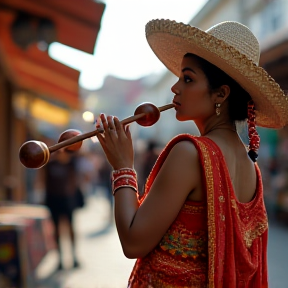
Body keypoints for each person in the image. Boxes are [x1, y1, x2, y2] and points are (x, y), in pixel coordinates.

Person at [95, 20, 288, 287]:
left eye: (187, 78)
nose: (175, 88)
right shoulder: (250, 166)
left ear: (220, 94)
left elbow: (133, 241)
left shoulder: (190, 154)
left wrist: (122, 167)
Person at [41, 149, 81, 270]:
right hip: (54, 199)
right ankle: (60, 258)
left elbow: (75, 181)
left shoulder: (71, 164)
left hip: (67, 199)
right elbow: (43, 181)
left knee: (71, 228)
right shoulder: (50, 165)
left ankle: (74, 256)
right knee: (56, 229)